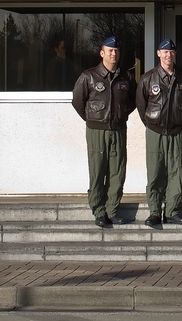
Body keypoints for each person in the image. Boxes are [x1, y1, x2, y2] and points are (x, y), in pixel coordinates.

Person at [71, 35, 135, 228]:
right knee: (98, 171)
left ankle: (112, 210)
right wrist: (93, 118)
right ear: (102, 53)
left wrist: (120, 115)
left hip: (118, 130)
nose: (113, 54)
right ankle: (99, 211)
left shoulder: (127, 77)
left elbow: (132, 101)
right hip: (96, 131)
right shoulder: (89, 76)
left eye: (116, 51)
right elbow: (78, 102)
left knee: (117, 171)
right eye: (110, 50)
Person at [135, 38, 182, 228]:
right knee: (156, 171)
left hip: (176, 131)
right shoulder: (148, 78)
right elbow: (141, 106)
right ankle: (154, 212)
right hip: (155, 132)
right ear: (158, 54)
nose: (169, 55)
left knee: (175, 171)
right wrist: (152, 123)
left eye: (172, 52)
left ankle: (172, 211)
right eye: (165, 52)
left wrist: (180, 120)